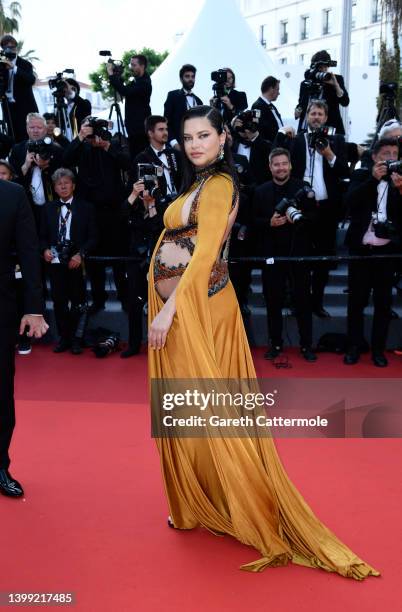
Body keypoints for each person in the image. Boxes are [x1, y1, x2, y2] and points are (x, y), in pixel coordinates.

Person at [147, 104, 379, 579]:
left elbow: (207, 251)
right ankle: (196, 502)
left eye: (204, 135)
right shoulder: (197, 183)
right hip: (182, 307)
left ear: (222, 139)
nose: (194, 144)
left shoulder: (219, 185)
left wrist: (169, 309)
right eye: (188, 137)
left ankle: (234, 501)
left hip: (196, 310)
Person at [275, 99, 349, 317]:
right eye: (313, 113)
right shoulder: (296, 141)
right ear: (307, 116)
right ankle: (298, 301)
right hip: (300, 208)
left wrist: (329, 154)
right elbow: (277, 163)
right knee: (299, 257)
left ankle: (316, 302)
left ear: (326, 118)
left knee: (323, 260)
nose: (316, 117)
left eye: (320, 114)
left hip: (326, 209)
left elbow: (344, 172)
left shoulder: (337, 140)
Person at [0, 180, 48, 497]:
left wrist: (33, 308)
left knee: (1, 389)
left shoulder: (12, 195)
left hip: (1, 305)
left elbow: (30, 253)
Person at [253, 148, 316, 361]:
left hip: (299, 254)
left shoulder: (303, 188)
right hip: (271, 256)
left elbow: (316, 218)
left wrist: (300, 219)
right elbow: (252, 222)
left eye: (284, 163)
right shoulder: (260, 191)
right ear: (270, 167)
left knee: (303, 301)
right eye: (276, 164)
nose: (281, 167)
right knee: (273, 302)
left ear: (290, 165)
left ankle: (306, 345)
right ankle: (276, 344)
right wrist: (268, 223)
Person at [344, 138, 402, 367]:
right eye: (386, 153)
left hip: (386, 253)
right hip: (361, 251)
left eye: (395, 153)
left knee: (383, 304)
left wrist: (400, 189)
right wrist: (373, 179)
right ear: (375, 156)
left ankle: (378, 350)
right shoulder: (361, 176)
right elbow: (348, 202)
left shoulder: (399, 181)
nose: (390, 157)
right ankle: (353, 347)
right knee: (356, 303)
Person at [40, 169, 98, 354]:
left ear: (73, 185)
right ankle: (63, 338)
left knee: (78, 301)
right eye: (59, 184)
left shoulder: (86, 207)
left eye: (66, 183)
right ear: (55, 188)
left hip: (76, 260)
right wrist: (45, 250)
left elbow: (94, 237)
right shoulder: (47, 208)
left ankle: (76, 339)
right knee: (58, 301)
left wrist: (80, 254)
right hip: (55, 260)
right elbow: (41, 236)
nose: (63, 186)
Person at [107, 54, 152, 159]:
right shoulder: (136, 81)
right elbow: (124, 90)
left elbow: (125, 91)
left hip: (140, 130)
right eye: (131, 65)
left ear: (142, 66)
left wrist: (111, 74)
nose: (131, 67)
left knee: (140, 159)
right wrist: (118, 76)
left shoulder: (144, 83)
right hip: (133, 129)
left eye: (134, 65)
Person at [295, 50, 349, 135]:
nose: (323, 70)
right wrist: (298, 110)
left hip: (330, 129)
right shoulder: (305, 83)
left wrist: (336, 86)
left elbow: (345, 102)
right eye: (320, 68)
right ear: (314, 69)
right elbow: (301, 104)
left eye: (326, 67)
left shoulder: (336, 79)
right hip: (307, 129)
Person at [0, 34, 38, 143]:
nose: (9, 50)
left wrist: (14, 68)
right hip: (8, 107)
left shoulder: (25, 64)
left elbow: (31, 80)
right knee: (11, 136)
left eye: (11, 47)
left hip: (25, 107)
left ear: (16, 48)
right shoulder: (1, 65)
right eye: (5, 48)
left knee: (26, 137)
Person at [163, 64, 203, 148]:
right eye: (187, 76)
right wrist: (174, 144)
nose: (190, 79)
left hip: (196, 145)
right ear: (181, 79)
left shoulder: (199, 101)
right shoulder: (172, 96)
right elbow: (166, 122)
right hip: (178, 145)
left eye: (193, 76)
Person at [251, 76, 283, 142]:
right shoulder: (257, 106)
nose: (279, 93)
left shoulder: (272, 107)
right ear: (271, 89)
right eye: (277, 89)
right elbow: (261, 129)